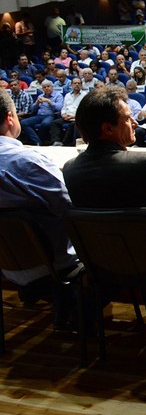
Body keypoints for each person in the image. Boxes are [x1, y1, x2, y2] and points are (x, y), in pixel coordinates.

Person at [62, 87, 146, 325]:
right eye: (127, 118)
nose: (135, 122)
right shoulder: (143, 162)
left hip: (105, 264)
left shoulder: (71, 169)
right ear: (107, 128)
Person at [0, 91, 81, 330]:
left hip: (6, 263)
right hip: (52, 264)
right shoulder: (27, 161)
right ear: (10, 118)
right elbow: (70, 210)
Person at [20, 79, 63, 146]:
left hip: (50, 115)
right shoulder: (40, 96)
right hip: (39, 115)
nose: (46, 88)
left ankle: (40, 141)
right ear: (42, 88)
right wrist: (37, 103)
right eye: (44, 87)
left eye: (48, 86)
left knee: (45, 124)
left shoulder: (58, 95)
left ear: (52, 87)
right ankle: (37, 141)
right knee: (23, 122)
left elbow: (59, 107)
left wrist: (49, 101)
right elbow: (32, 110)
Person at [50, 77, 86, 146]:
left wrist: (74, 116)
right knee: (55, 123)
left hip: (78, 118)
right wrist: (63, 115)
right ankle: (56, 142)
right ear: (71, 85)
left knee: (74, 124)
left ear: (81, 85)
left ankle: (69, 144)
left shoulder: (85, 95)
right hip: (67, 117)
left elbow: (85, 110)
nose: (77, 85)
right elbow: (64, 107)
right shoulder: (67, 95)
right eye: (75, 83)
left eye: (79, 83)